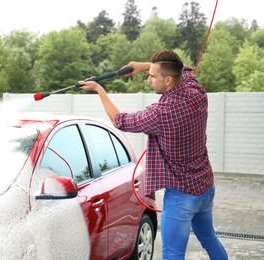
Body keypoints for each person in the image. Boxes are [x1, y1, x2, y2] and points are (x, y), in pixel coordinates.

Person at [79, 50, 228, 260]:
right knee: (209, 239)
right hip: (205, 187)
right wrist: (142, 66)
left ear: (167, 80)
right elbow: (181, 67)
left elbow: (119, 120)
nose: (149, 79)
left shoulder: (161, 113)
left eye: (152, 76)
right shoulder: (196, 90)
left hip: (181, 195)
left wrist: (99, 90)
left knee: (173, 254)